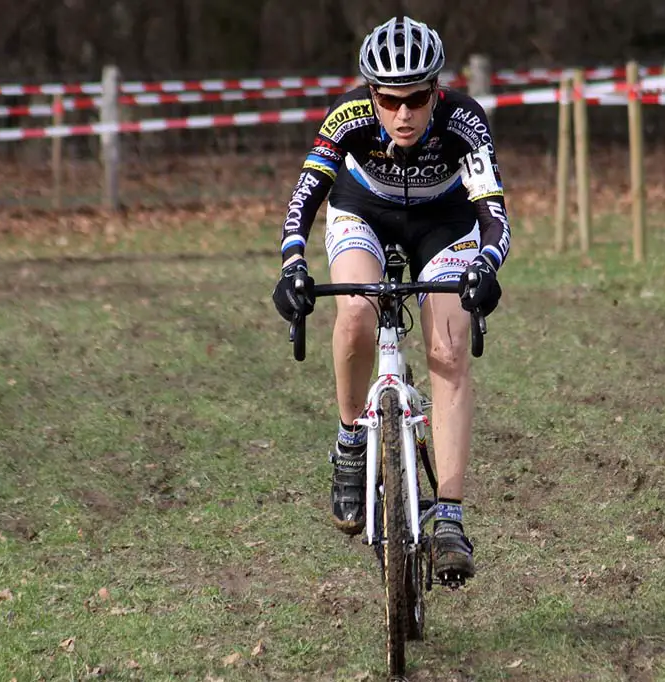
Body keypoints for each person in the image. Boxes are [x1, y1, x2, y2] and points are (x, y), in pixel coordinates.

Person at [270, 16, 511, 582]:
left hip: (443, 223)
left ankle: (449, 516)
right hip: (365, 212)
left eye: (417, 98)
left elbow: (494, 214)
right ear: (370, 94)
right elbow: (305, 197)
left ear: (437, 91)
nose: (403, 113)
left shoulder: (465, 121)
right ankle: (351, 438)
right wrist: (292, 266)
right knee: (355, 307)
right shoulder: (347, 117)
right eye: (389, 99)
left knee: (449, 349)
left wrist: (485, 266)